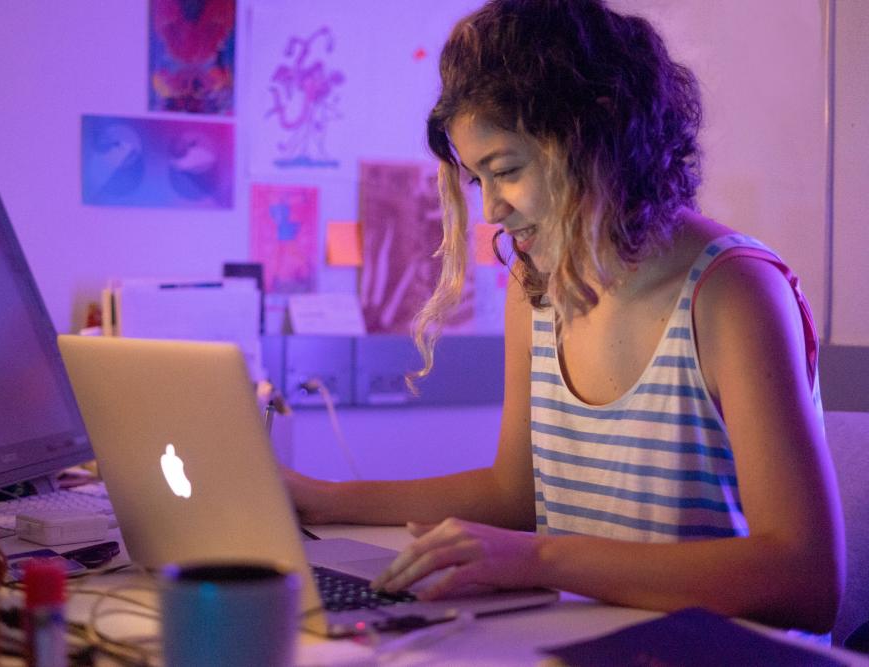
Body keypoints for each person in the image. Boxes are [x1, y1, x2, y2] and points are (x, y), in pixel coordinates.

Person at [284, 0, 844, 634]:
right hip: (586, 640)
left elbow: (805, 580)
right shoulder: (536, 288)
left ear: (595, 137)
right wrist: (324, 500)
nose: (491, 210)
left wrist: (541, 558)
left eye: (506, 170)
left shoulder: (733, 293)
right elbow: (514, 497)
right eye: (477, 181)